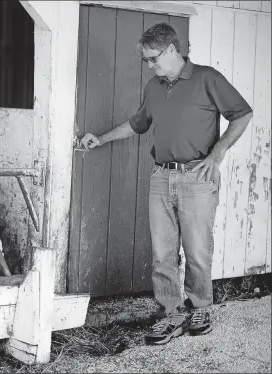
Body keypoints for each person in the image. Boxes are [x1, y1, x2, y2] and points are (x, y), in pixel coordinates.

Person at [80, 22, 253, 345]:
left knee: (198, 249)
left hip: (197, 178)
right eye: (146, 60)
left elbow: (241, 114)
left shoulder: (207, 78)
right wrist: (100, 139)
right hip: (161, 176)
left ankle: (200, 307)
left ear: (173, 50)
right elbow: (138, 124)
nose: (150, 66)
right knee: (162, 253)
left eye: (153, 58)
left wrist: (216, 155)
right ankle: (170, 314)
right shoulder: (154, 86)